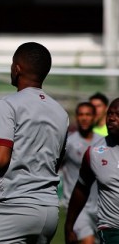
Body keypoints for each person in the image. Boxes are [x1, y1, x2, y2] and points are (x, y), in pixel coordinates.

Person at [0, 42, 69, 243]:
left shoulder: (9, 104)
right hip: (49, 212)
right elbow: (49, 167)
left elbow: (0, 158)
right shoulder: (61, 112)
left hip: (14, 209)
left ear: (17, 68)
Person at [65, 97, 119, 244]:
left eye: (118, 115)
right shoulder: (95, 152)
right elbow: (81, 187)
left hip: (96, 208)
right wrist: (69, 226)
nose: (112, 118)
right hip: (111, 230)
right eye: (110, 114)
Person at [61, 102, 103, 244]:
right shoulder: (68, 143)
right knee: (88, 241)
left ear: (94, 117)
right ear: (76, 118)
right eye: (81, 114)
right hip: (78, 208)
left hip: (101, 206)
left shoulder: (103, 143)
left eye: (88, 114)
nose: (84, 118)